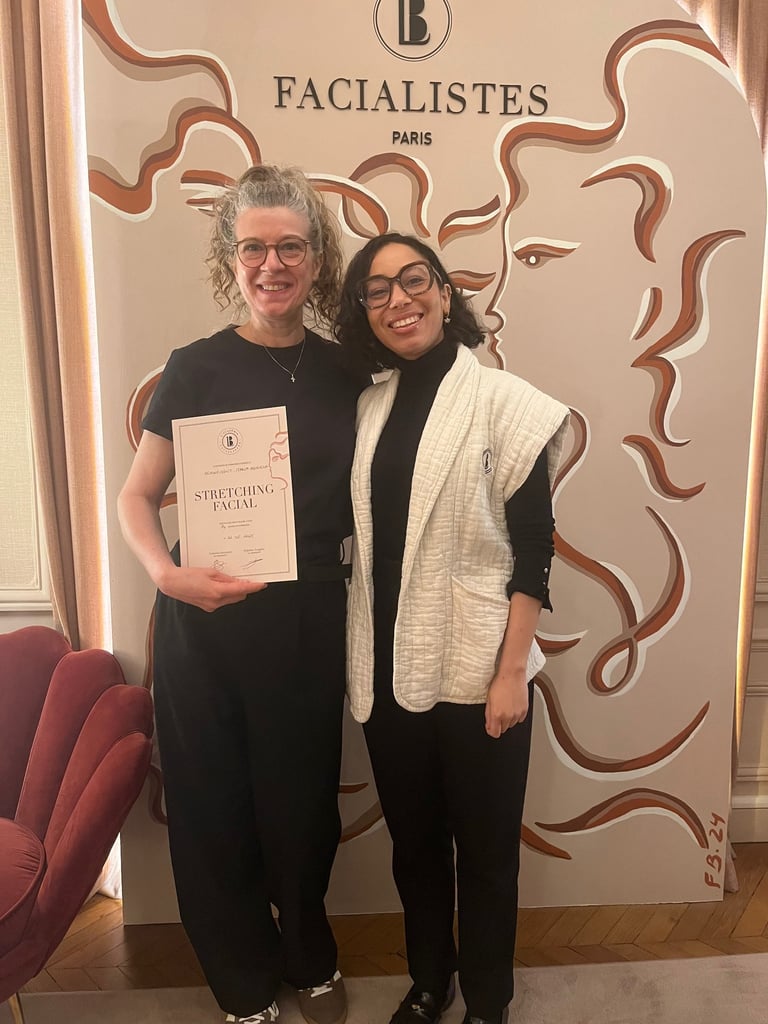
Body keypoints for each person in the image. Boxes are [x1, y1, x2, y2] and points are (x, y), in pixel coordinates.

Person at [118, 165, 363, 1024]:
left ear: (316, 257)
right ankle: (241, 979)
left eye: (290, 246)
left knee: (303, 807)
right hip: (207, 621)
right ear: (231, 258)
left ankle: (307, 950)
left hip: (311, 619)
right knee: (213, 803)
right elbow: (137, 496)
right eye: (253, 247)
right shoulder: (195, 368)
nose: (272, 264)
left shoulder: (350, 371)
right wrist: (165, 575)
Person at [335, 233, 569, 1024]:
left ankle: (489, 1002)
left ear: (443, 291)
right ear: (364, 312)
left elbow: (534, 548)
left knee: (488, 854)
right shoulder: (367, 408)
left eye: (413, 280)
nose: (398, 300)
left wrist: (511, 673)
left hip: (479, 668)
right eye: (377, 290)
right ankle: (430, 983)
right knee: (415, 848)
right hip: (387, 669)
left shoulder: (507, 401)